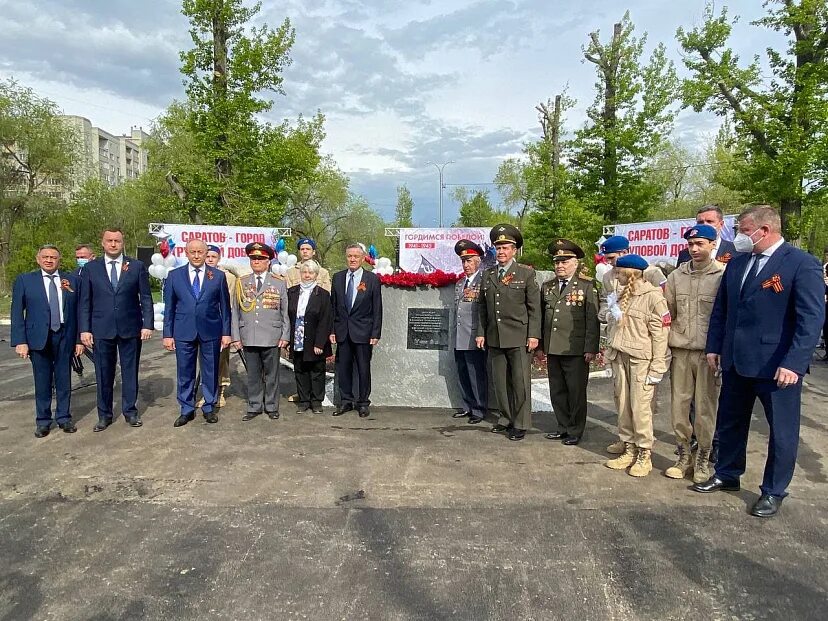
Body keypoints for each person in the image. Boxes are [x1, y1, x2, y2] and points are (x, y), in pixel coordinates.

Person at [693, 205, 825, 518]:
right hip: (737, 361)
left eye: (742, 230)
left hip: (777, 366)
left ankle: (773, 490)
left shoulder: (801, 264)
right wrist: (715, 346)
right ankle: (727, 473)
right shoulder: (738, 263)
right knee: (731, 422)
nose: (736, 236)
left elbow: (811, 318)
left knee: (781, 431)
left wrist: (794, 363)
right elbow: (722, 311)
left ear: (763, 231)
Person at [663, 225, 725, 482]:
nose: (695, 249)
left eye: (700, 244)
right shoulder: (677, 276)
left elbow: (725, 317)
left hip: (708, 355)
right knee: (679, 407)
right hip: (680, 351)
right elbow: (669, 313)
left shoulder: (723, 275)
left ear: (713, 245)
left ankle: (703, 459)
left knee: (705, 409)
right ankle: (684, 454)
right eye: (691, 245)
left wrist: (720, 350)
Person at [78, 228, 154, 431]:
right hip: (101, 328)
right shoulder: (91, 269)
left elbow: (145, 297)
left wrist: (148, 324)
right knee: (103, 373)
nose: (113, 244)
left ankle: (130, 411)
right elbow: (85, 301)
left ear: (123, 243)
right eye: (109, 240)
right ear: (102, 243)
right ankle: (104, 415)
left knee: (130, 371)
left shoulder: (136, 266)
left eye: (117, 241)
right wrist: (84, 329)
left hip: (130, 328)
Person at [603, 254, 670, 477]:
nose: (615, 274)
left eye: (619, 272)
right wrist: (609, 354)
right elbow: (612, 325)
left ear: (630, 273)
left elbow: (660, 335)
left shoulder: (654, 298)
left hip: (641, 360)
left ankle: (644, 453)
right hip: (620, 356)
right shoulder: (620, 294)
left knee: (640, 408)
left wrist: (657, 367)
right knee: (623, 405)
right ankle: (628, 447)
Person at [476, 224, 541, 441]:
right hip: (495, 336)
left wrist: (534, 335)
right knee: (501, 382)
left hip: (519, 337)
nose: (501, 252)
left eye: (506, 248)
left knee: (520, 382)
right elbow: (482, 307)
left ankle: (521, 423)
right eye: (498, 248)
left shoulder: (526, 273)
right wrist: (481, 332)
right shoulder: (488, 274)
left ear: (514, 250)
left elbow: (534, 308)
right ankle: (505, 418)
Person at [11, 245, 84, 437]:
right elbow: (17, 313)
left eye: (53, 257)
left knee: (63, 379)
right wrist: (20, 341)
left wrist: (79, 340)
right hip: (37, 338)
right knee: (42, 380)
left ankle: (64, 417)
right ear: (38, 259)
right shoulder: (25, 281)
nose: (49, 260)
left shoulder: (72, 280)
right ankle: (43, 421)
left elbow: (79, 312)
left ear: (59, 260)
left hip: (64, 335)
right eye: (45, 257)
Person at [163, 239, 232, 427]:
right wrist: (167, 334)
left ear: (205, 253)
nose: (196, 255)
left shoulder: (217, 276)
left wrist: (226, 333)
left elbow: (225, 307)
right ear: (186, 253)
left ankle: (209, 406)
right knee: (185, 371)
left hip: (211, 330)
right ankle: (186, 408)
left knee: (210, 370)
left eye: (200, 252)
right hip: (183, 331)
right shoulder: (174, 276)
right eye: (192, 252)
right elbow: (169, 308)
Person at [540, 239, 600, 446]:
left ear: (575, 263)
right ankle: (562, 426)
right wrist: (541, 346)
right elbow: (543, 318)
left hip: (575, 349)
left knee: (575, 392)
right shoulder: (547, 287)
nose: (560, 266)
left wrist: (590, 348)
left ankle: (575, 429)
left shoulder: (586, 286)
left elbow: (592, 320)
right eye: (557, 262)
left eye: (565, 261)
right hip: (553, 347)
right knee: (557, 390)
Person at [231, 242, 289, 421]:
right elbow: (235, 311)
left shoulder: (278, 283)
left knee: (272, 375)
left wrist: (285, 335)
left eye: (260, 258)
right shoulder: (241, 282)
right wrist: (235, 336)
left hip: (272, 336)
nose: (256, 261)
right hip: (249, 335)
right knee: (253, 374)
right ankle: (254, 406)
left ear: (268, 261)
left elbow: (284, 311)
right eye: (253, 258)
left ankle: (271, 406)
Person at [330, 243, 383, 418]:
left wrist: (376, 333)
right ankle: (346, 401)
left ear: (362, 258)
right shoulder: (337, 278)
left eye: (356, 256)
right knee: (343, 368)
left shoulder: (371, 279)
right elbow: (334, 307)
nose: (352, 259)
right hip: (343, 331)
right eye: (349, 256)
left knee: (363, 368)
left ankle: (363, 403)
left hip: (364, 332)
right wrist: (332, 330)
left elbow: (377, 308)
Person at [287, 260, 333, 414]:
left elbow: (326, 320)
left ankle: (316, 401)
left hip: (315, 339)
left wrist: (320, 343)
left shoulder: (323, 294)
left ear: (316, 275)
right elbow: (287, 316)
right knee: (300, 370)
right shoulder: (292, 292)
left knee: (316, 371)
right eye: (304, 272)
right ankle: (304, 400)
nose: (307, 275)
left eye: (311, 273)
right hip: (297, 338)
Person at [451, 239, 487, 424]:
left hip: (474, 337)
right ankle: (467, 406)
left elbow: (483, 311)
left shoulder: (484, 281)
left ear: (478, 261)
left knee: (475, 375)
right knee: (463, 374)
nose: (466, 265)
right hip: (459, 337)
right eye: (464, 261)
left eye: (470, 261)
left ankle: (479, 409)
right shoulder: (459, 284)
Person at [597, 235, 666, 324]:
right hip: (616, 330)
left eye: (611, 258)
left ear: (624, 252)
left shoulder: (651, 272)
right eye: (606, 259)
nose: (608, 262)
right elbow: (605, 300)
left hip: (643, 331)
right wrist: (606, 315)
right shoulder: (607, 277)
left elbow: (664, 302)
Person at [202, 244, 237, 408]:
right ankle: (207, 392)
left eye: (213, 257)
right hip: (202, 325)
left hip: (221, 323)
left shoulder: (227, 277)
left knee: (222, 359)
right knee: (205, 361)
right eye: (207, 256)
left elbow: (229, 303)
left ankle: (221, 391)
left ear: (219, 258)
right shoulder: (198, 274)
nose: (209, 259)